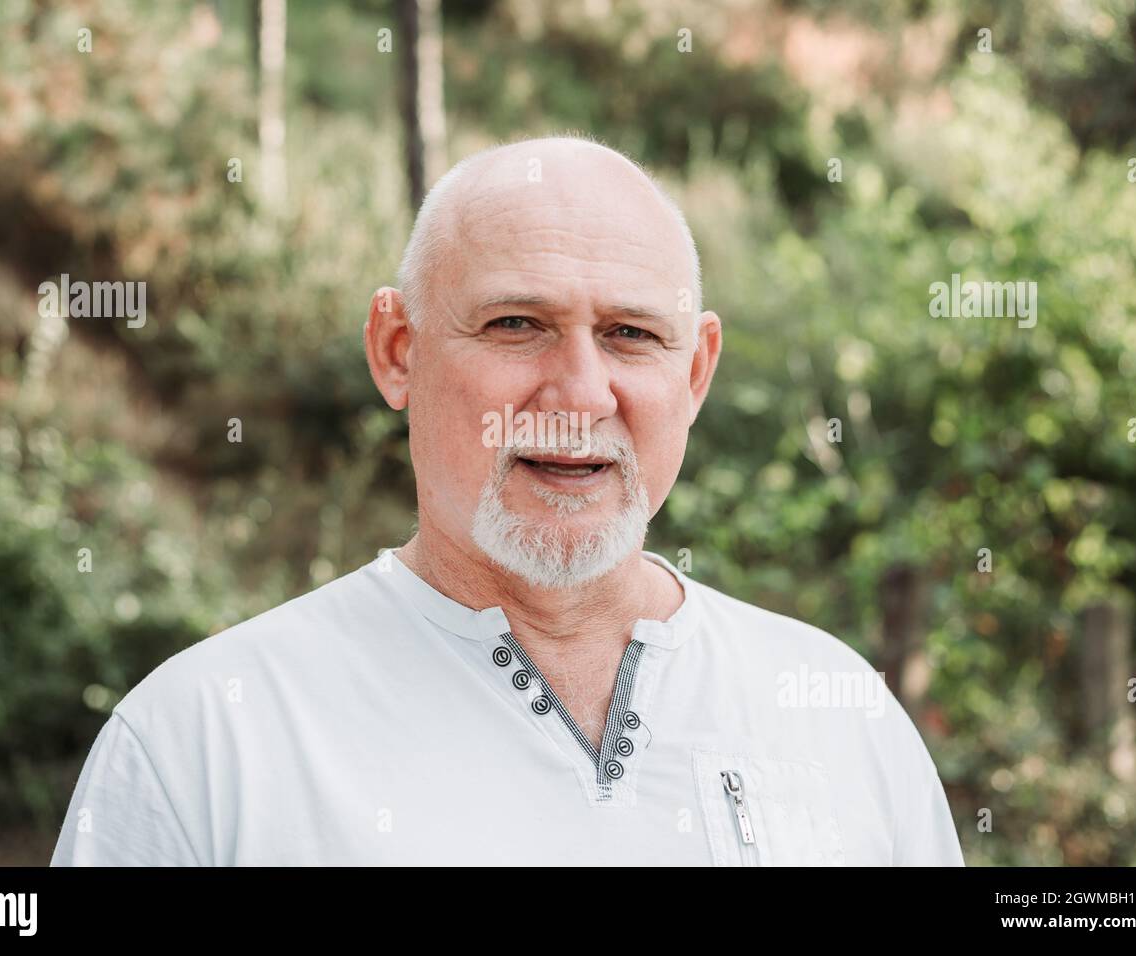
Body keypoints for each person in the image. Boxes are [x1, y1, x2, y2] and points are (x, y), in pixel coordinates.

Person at [51, 135, 963, 865]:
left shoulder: (840, 715)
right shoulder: (202, 744)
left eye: (630, 334)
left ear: (696, 372)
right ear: (398, 349)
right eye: (516, 324)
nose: (579, 393)